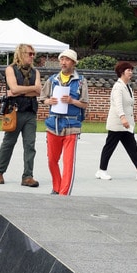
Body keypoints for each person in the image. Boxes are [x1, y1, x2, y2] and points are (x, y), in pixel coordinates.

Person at [96, 61, 137, 181]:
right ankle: (101, 171)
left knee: (132, 147)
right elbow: (118, 104)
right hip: (118, 124)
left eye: (131, 70)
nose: (131, 73)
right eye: (128, 70)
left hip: (126, 125)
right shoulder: (118, 87)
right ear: (122, 72)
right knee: (110, 147)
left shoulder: (127, 86)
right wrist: (123, 117)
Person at [0, 43, 41, 187]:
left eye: (33, 54)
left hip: (30, 112)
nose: (32, 56)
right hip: (14, 111)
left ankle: (27, 176)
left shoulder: (36, 72)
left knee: (30, 145)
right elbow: (13, 88)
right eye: (29, 53)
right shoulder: (10, 69)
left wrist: (20, 91)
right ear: (20, 54)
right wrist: (30, 90)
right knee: (8, 143)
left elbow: (39, 91)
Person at [42, 49, 88, 195]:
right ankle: (57, 186)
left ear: (73, 63)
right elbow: (42, 97)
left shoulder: (81, 81)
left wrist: (72, 101)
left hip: (72, 126)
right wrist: (48, 101)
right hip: (53, 124)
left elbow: (85, 104)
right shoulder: (52, 80)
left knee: (68, 163)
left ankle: (64, 194)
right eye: (62, 59)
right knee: (52, 160)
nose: (63, 62)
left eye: (67, 60)